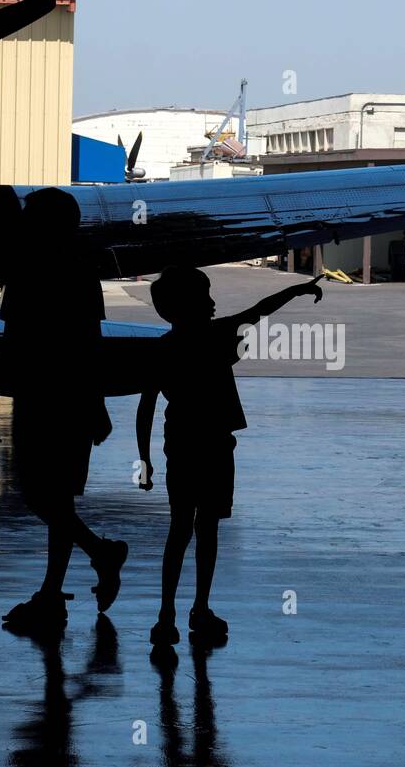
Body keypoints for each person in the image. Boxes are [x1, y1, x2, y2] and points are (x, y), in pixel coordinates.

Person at [136, 266, 324, 648]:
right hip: (217, 446)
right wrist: (297, 289)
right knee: (208, 529)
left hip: (182, 446)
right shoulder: (218, 335)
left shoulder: (165, 348)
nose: (212, 302)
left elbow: (147, 407)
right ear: (189, 305)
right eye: (205, 297)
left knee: (179, 529)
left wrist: (144, 457)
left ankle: (166, 613)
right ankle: (200, 607)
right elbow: (261, 309)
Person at [0, 188, 128, 634]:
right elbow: (91, 344)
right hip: (70, 398)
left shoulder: (25, 271)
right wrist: (97, 403)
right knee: (57, 498)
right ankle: (59, 587)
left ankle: (84, 567)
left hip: (38, 397)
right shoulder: (81, 272)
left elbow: (9, 344)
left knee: (40, 496)